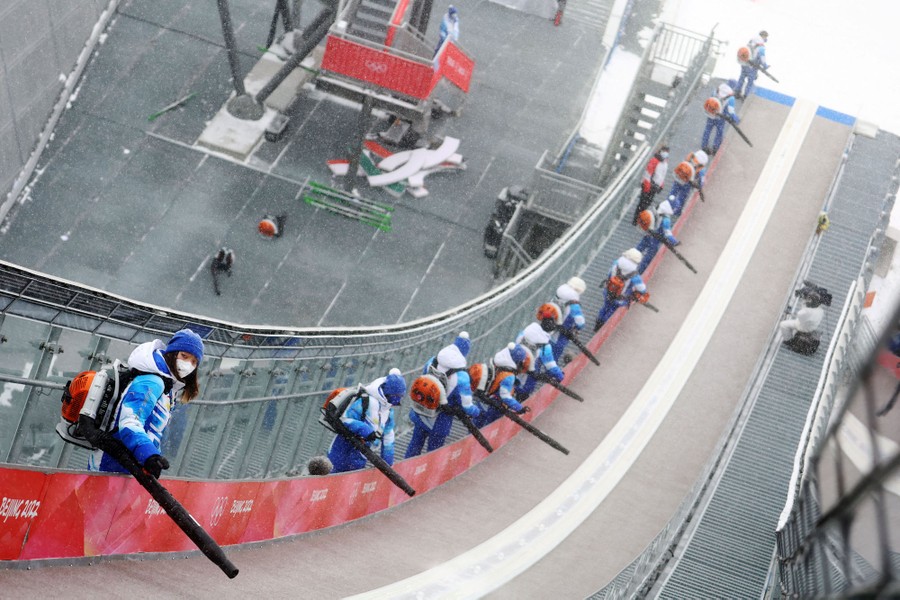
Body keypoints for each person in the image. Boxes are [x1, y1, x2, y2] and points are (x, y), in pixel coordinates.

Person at [88, 329, 204, 478]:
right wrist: (149, 455)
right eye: (184, 356)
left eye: (194, 361)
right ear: (172, 353)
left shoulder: (168, 386)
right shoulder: (152, 381)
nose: (188, 364)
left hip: (131, 467)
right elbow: (130, 422)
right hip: (111, 465)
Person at [405, 332, 479, 457]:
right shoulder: (462, 377)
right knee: (434, 452)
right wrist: (476, 412)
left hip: (423, 411)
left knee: (415, 443)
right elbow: (467, 406)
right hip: (441, 419)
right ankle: (427, 474)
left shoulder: (432, 361)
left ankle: (406, 470)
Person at [327, 368, 406, 473]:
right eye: (396, 397)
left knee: (353, 477)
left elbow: (388, 436)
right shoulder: (366, 400)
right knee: (333, 472)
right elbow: (345, 420)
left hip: (362, 452)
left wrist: (388, 463)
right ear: (389, 393)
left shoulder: (388, 411)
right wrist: (366, 431)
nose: (397, 400)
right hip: (344, 444)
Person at [472, 342, 530, 427]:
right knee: (487, 426)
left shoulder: (497, 363)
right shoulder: (509, 375)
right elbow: (505, 396)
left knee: (478, 426)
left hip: (482, 400)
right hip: (492, 405)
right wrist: (519, 408)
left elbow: (498, 382)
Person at [593, 248, 650, 331]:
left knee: (605, 306)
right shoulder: (634, 274)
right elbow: (642, 289)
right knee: (611, 311)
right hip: (620, 298)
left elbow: (609, 274)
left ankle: (598, 323)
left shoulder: (616, 263)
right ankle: (602, 328)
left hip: (609, 291)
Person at [515, 319, 565, 402]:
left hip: (514, 363)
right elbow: (550, 365)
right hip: (527, 373)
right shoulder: (545, 345)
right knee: (523, 394)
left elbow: (517, 341)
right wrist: (560, 376)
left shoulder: (527, 330)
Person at [549, 276, 587, 362]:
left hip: (549, 326)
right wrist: (577, 328)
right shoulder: (573, 303)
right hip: (561, 332)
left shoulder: (558, 294)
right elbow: (580, 322)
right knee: (555, 354)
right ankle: (550, 372)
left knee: (543, 353)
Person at [635, 198, 678, 274]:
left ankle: (631, 261)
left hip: (648, 234)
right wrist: (675, 242)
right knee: (648, 258)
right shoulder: (666, 219)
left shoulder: (658, 209)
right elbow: (668, 234)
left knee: (638, 249)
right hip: (655, 240)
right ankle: (639, 272)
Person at [701, 81, 739, 157]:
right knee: (719, 132)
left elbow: (711, 100)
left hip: (711, 114)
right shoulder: (731, 97)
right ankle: (715, 148)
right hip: (721, 117)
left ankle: (704, 146)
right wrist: (736, 119)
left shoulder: (717, 90)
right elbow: (731, 111)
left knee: (707, 130)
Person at [634, 145, 669, 225]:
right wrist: (647, 186)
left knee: (647, 204)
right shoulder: (655, 160)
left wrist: (661, 185)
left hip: (655, 186)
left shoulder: (665, 163)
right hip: (649, 185)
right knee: (642, 203)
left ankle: (641, 219)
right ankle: (636, 220)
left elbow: (662, 176)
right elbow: (648, 173)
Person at [666, 149, 708, 216]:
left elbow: (684, 162)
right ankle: (677, 211)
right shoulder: (702, 168)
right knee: (682, 197)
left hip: (680, 176)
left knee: (673, 192)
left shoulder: (692, 156)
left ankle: (667, 205)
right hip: (688, 182)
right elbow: (700, 182)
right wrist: (700, 191)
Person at [735, 30, 769, 100]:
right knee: (750, 81)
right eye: (766, 37)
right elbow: (761, 55)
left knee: (742, 77)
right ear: (764, 36)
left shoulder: (752, 39)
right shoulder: (761, 44)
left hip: (744, 61)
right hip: (751, 64)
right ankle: (745, 96)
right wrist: (765, 65)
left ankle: (737, 92)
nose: (766, 39)